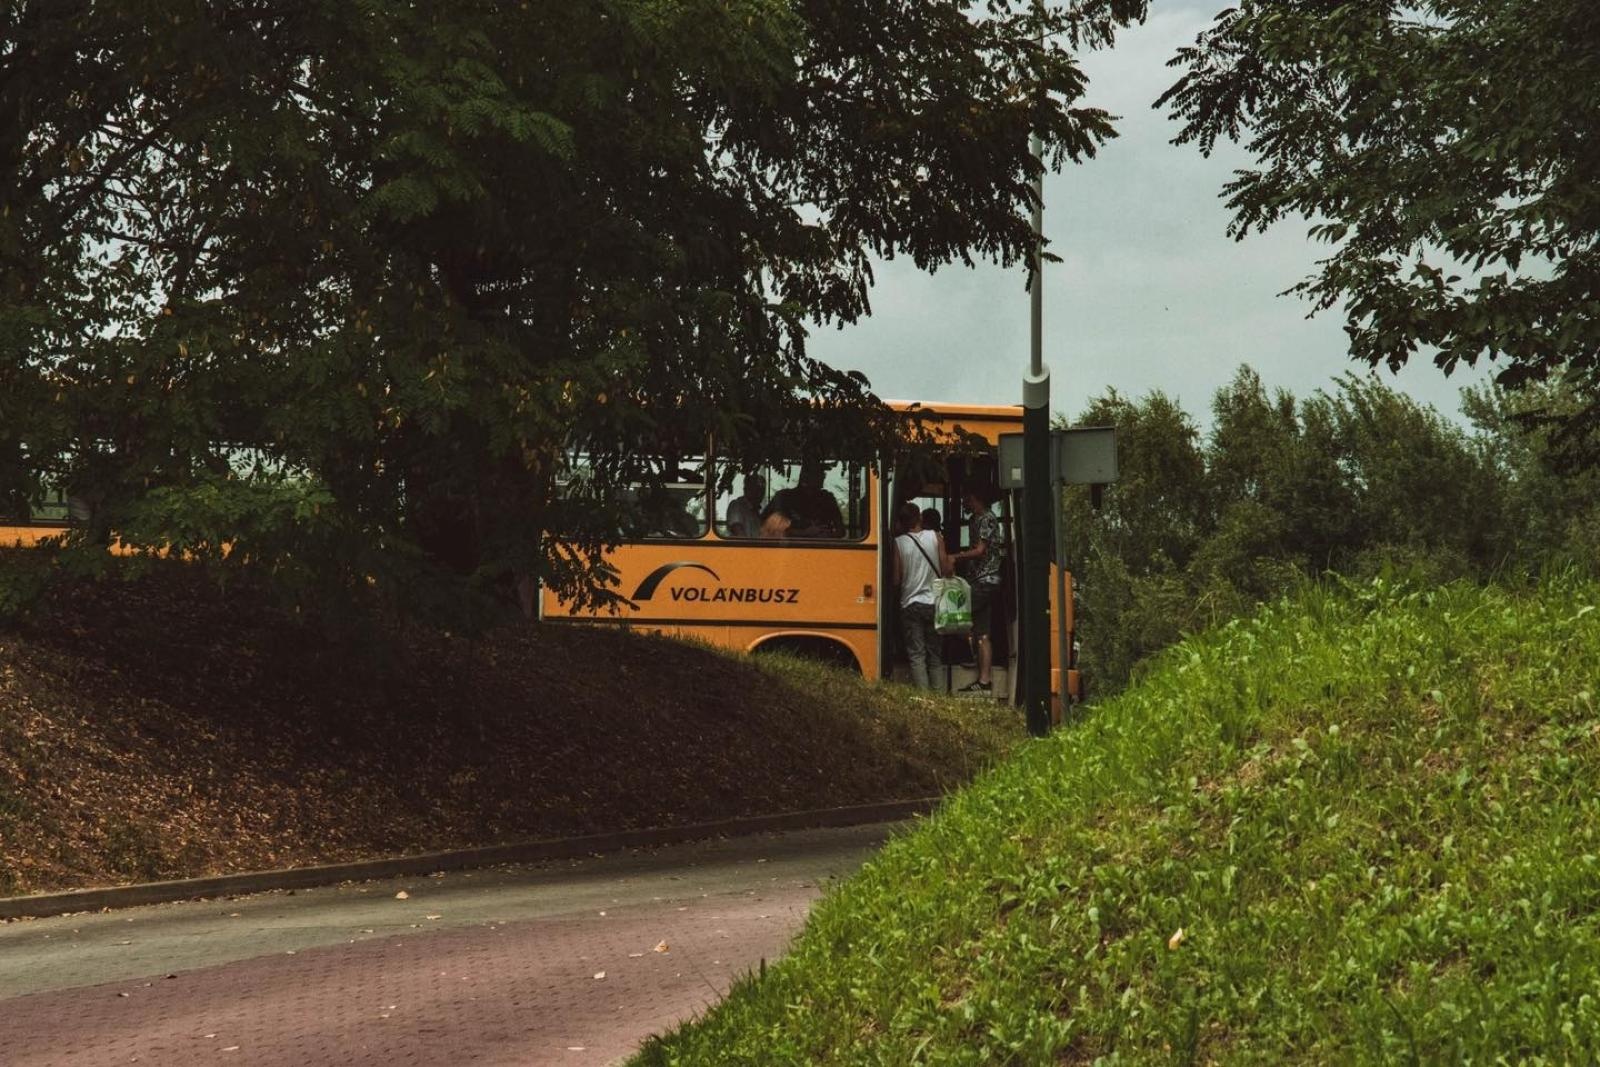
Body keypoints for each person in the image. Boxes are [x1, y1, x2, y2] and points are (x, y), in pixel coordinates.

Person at [949, 482, 1003, 695]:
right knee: (983, 632)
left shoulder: (987, 519)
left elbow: (980, 550)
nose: (964, 502)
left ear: (976, 498)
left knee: (952, 615)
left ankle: (971, 653)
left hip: (985, 580)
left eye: (967, 498)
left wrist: (956, 556)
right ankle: (984, 680)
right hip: (978, 580)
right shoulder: (975, 520)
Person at [891, 500, 952, 690]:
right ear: (920, 518)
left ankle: (925, 701)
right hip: (934, 603)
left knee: (917, 655)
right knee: (935, 656)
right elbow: (945, 569)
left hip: (910, 604)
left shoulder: (899, 543)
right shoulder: (935, 537)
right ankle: (939, 699)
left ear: (902, 522)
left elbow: (896, 579)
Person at [761, 460, 845, 538]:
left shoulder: (827, 499)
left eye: (822, 473)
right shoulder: (784, 498)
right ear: (804, 476)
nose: (823, 476)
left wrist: (827, 535)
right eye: (817, 473)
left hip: (823, 549)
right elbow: (768, 529)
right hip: (789, 550)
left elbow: (841, 531)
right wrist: (804, 532)